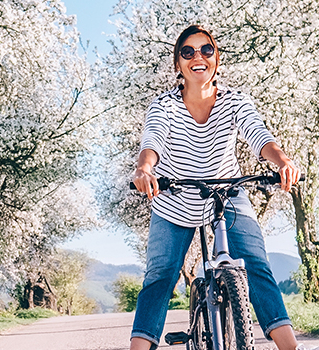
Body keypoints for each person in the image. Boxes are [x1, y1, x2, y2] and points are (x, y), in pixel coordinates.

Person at [131, 24, 310, 350]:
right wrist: (144, 169)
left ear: (217, 59)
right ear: (178, 65)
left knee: (256, 265)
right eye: (188, 52)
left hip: (227, 193)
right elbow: (152, 140)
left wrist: (282, 161)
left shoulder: (235, 101)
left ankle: (290, 347)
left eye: (206, 50)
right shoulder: (164, 106)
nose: (198, 57)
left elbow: (259, 135)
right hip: (173, 197)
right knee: (159, 279)